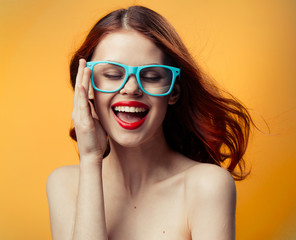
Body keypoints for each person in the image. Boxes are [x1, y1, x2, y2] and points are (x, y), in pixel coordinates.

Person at [46, 5, 252, 240]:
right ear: (88, 86)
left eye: (152, 76)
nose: (131, 88)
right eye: (112, 74)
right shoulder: (65, 185)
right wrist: (90, 159)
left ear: (173, 91)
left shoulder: (207, 186)